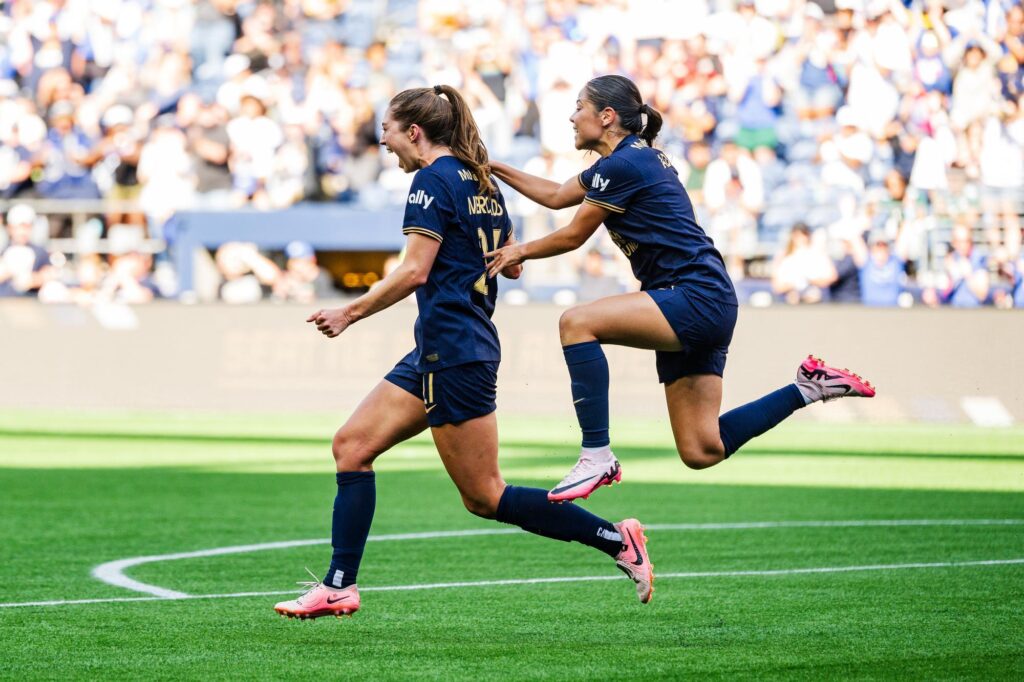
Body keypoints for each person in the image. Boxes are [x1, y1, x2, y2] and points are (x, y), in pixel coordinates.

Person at [273, 85, 653, 621]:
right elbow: (511, 263)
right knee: (352, 446)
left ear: (414, 132)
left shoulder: (431, 180)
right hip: (442, 347)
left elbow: (415, 270)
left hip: (455, 350)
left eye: (386, 128)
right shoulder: (482, 182)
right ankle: (338, 585)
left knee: (485, 496)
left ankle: (615, 539)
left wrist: (348, 313)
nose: (381, 139)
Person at [485, 75, 875, 504]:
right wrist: (493, 168)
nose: (572, 115)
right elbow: (558, 195)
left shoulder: (623, 166)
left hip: (693, 294)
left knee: (576, 323)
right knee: (701, 449)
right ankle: (808, 387)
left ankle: (596, 454)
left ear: (607, 116)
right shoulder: (626, 161)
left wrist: (515, 252)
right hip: (704, 296)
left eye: (580, 106)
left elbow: (573, 236)